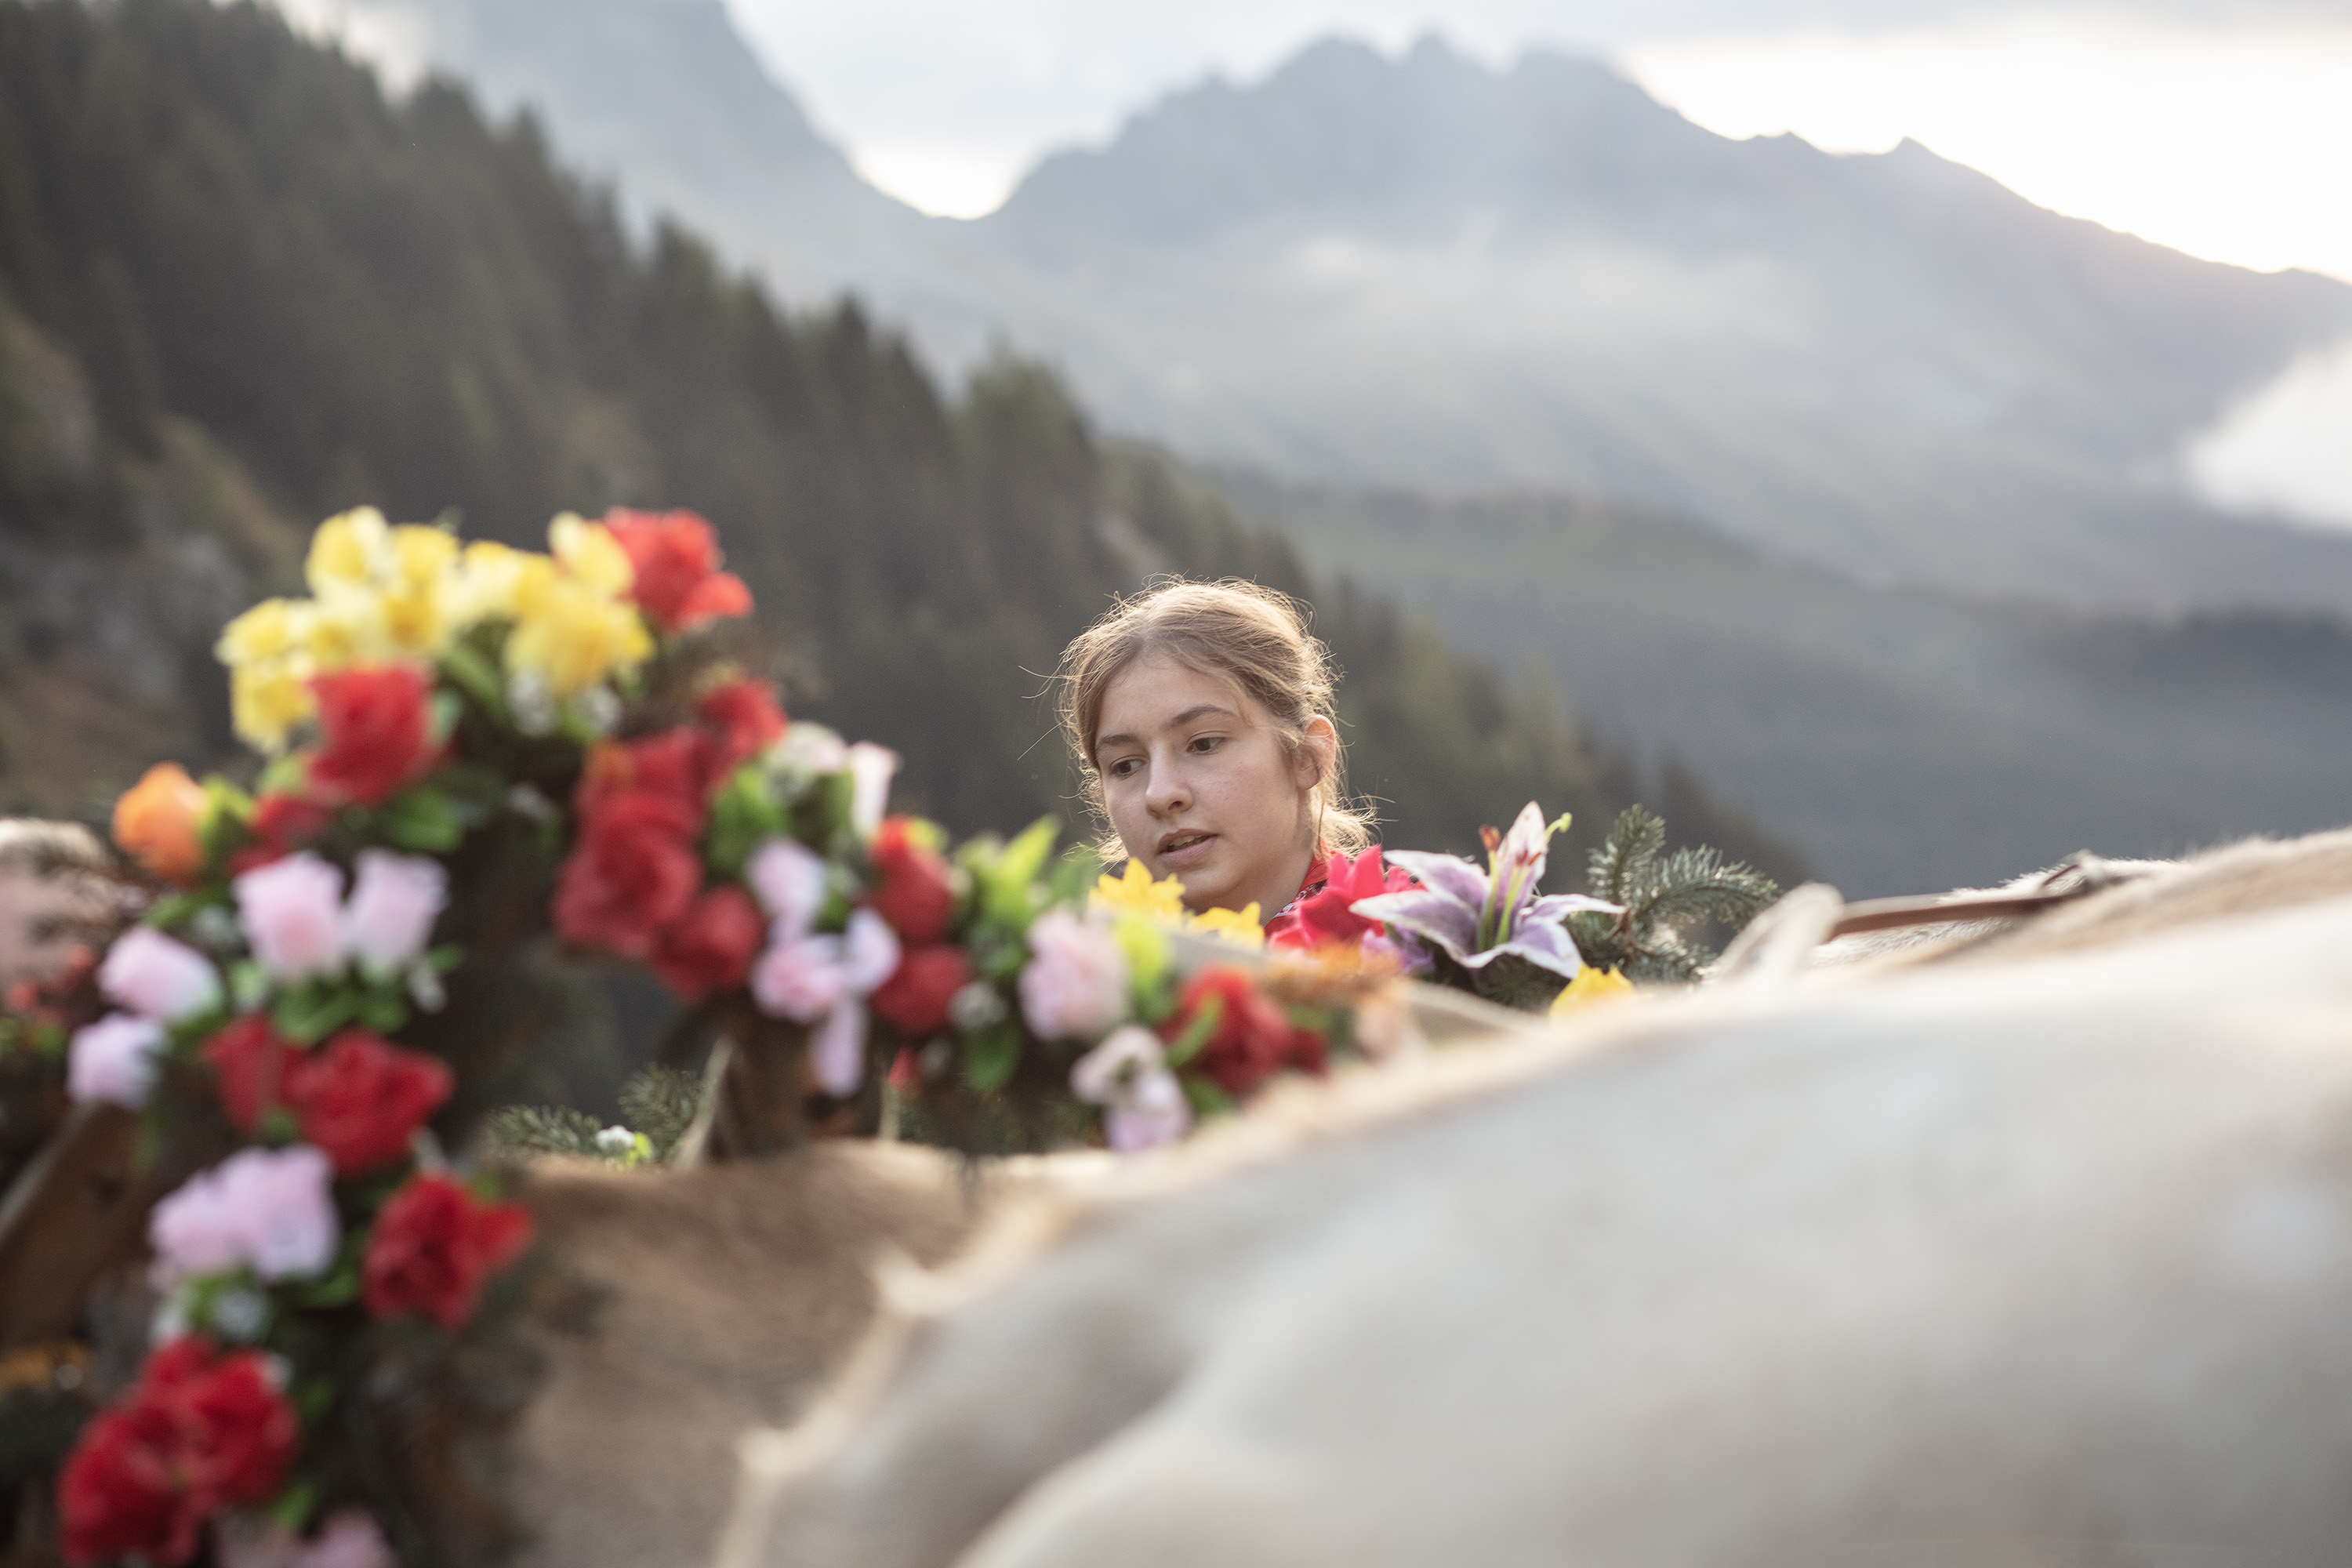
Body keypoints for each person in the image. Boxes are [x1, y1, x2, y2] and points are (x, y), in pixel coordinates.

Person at [1054, 579, 1391, 941]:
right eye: (1126, 766)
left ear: (1307, 756)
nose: (1160, 794)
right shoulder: (1081, 964)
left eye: (1204, 744)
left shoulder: (1411, 952)